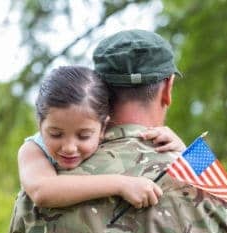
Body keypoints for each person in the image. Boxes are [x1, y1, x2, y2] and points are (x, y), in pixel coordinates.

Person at [3, 29, 227, 233]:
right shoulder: (215, 186)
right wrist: (183, 155)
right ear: (168, 89)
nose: (69, 147)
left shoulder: (48, 180)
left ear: (100, 91)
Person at [17, 66, 185, 210]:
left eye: (83, 136)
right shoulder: (33, 149)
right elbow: (42, 191)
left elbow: (208, 187)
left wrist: (183, 150)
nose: (69, 147)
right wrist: (121, 184)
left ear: (104, 127)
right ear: (40, 125)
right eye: (56, 134)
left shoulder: (117, 137)